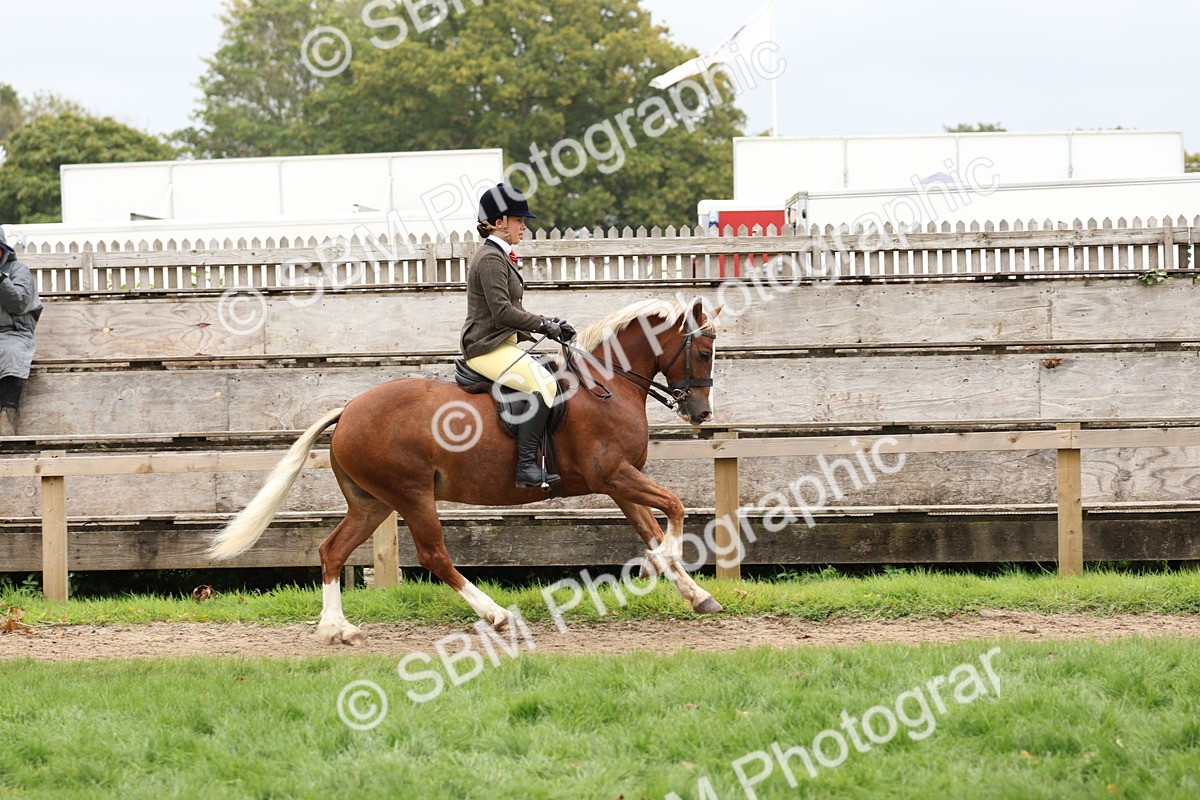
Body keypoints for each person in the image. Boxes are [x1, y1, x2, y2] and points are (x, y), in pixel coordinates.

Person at [460, 184, 576, 488]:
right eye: (519, 221)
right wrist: (544, 326)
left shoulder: (500, 256)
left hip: (501, 345)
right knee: (544, 384)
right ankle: (526, 466)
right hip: (486, 347)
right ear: (500, 222)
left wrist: (551, 323)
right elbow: (502, 312)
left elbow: (511, 310)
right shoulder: (489, 259)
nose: (523, 227)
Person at [0, 229, 40, 436]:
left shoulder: (18, 269)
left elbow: (18, 304)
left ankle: (7, 417)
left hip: (14, 332)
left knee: (11, 353)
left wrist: (0, 279)